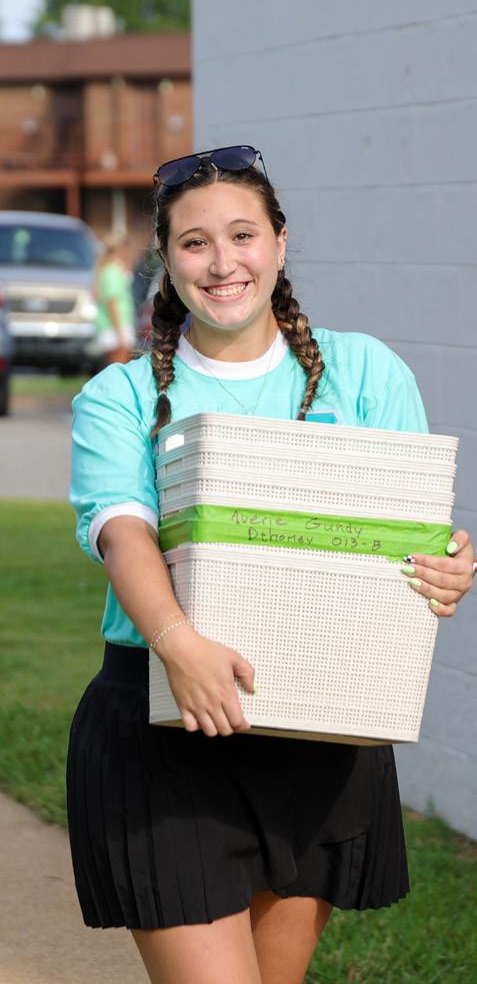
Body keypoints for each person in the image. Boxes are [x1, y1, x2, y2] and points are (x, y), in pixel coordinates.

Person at [68, 146, 475, 984]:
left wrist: (446, 568)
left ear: (279, 245)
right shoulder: (120, 397)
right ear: (166, 259)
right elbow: (123, 533)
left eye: (242, 235)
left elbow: (407, 538)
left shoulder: (365, 373)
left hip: (321, 737)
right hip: (168, 732)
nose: (222, 263)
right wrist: (179, 644)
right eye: (194, 243)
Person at [94, 231, 135, 366]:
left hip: (116, 326)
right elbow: (112, 302)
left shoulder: (110, 269)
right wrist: (120, 332)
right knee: (118, 367)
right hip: (115, 327)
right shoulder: (112, 272)